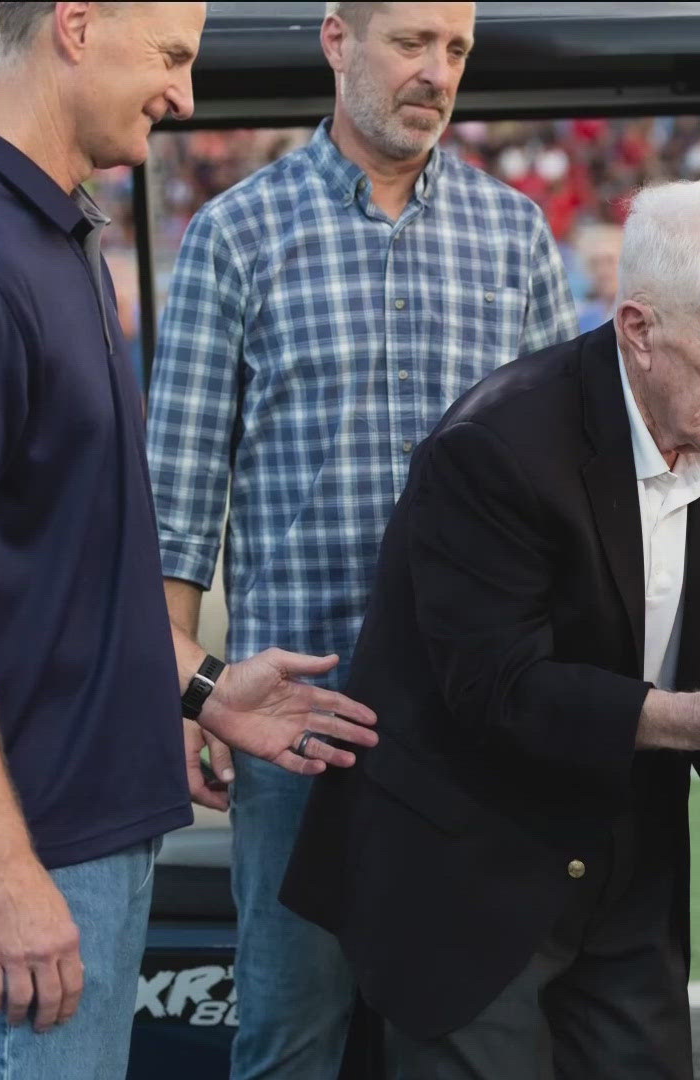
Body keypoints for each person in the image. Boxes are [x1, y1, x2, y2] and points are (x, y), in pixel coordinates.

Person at [0, 5, 376, 1077]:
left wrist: (204, 687)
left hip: (81, 839)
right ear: (77, 26)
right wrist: (0, 869)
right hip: (18, 859)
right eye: (173, 56)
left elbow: (62, 573)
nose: (185, 95)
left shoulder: (57, 233)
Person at [280, 181, 700, 1079]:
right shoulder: (496, 448)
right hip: (465, 877)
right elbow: (498, 686)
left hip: (623, 866)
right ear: (638, 328)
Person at [144, 3, 575, 1076]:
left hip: (474, 723)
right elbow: (178, 500)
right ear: (339, 40)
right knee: (292, 1037)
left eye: (458, 50)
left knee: (470, 1036)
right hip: (301, 722)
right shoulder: (238, 231)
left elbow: (564, 495)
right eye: (413, 42)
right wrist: (188, 691)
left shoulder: (514, 233)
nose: (438, 71)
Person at [574, 220, 623, 333]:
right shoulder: (584, 318)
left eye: (609, 261)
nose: (602, 271)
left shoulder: (639, 315)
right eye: (595, 263)